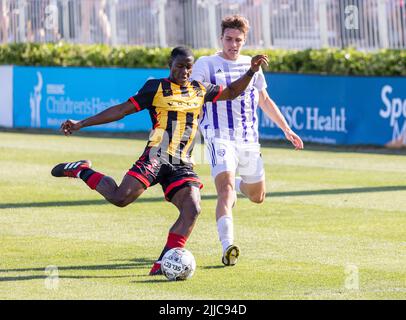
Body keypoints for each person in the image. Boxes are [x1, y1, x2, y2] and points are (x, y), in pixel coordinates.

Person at [51, 46, 268, 275]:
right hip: (156, 156)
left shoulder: (200, 89)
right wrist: (81, 123)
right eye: (180, 66)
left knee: (192, 208)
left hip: (182, 164)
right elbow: (122, 110)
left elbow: (232, 91)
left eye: (188, 67)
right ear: (170, 65)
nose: (184, 71)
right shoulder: (155, 87)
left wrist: (251, 71)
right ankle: (82, 170)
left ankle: (163, 263)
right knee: (120, 198)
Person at [191, 15, 304, 267]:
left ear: (244, 40)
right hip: (218, 136)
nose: (233, 44)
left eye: (238, 40)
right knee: (225, 190)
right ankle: (227, 245)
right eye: (229, 39)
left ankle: (237, 185)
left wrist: (287, 129)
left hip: (248, 139)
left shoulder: (251, 64)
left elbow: (263, 99)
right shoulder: (206, 64)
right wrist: (188, 138)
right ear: (221, 38)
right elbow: (194, 101)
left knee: (257, 195)